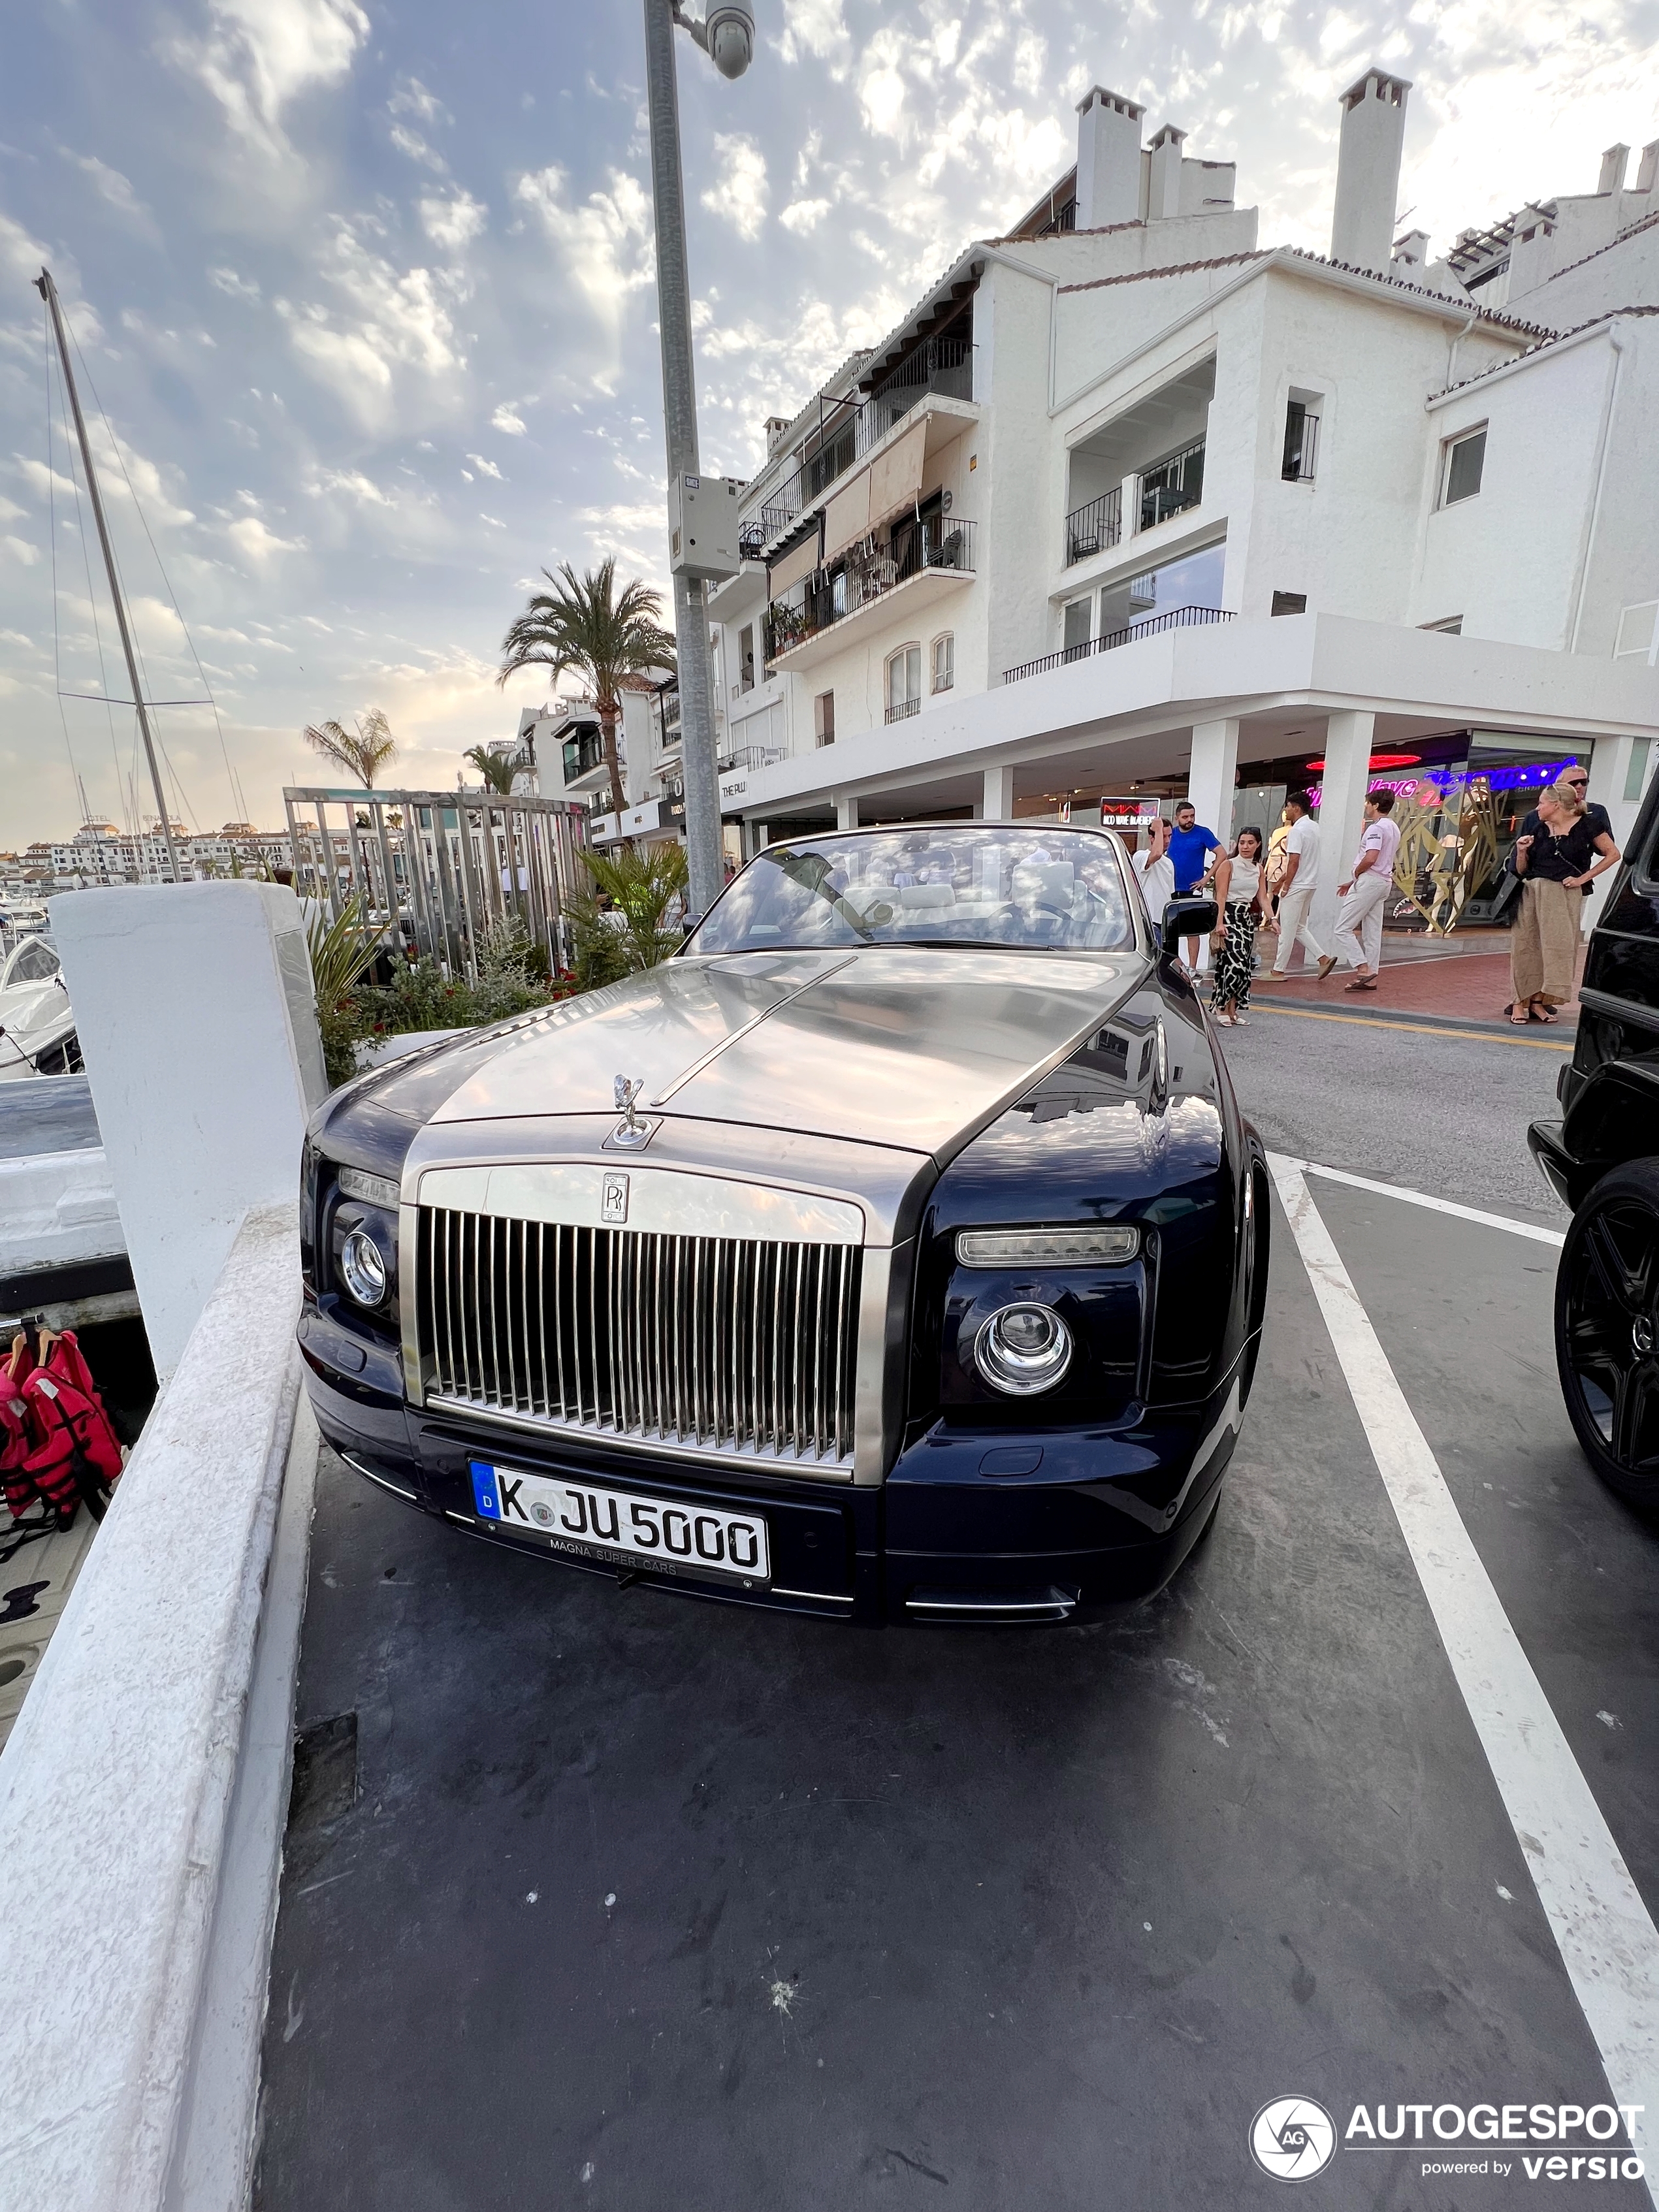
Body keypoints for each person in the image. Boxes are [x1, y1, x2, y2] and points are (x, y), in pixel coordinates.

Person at [1508, 781, 1620, 1023]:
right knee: (1525, 947)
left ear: (1556, 805)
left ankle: (1538, 1003)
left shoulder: (1589, 825)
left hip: (1563, 893)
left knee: (1557, 949)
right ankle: (1519, 1003)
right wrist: (1521, 851)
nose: (1538, 808)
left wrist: (1583, 878)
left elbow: (1614, 854)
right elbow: (1521, 870)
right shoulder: (1539, 828)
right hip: (1532, 891)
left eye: (1542, 803)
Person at [1330, 789, 1401, 991]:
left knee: (1343, 928)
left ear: (1376, 805)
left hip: (1370, 881)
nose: (1366, 806)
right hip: (1384, 882)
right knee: (1372, 932)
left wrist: (1356, 874)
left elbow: (1371, 857)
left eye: (1368, 803)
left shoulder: (1376, 829)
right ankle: (1371, 977)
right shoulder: (1393, 827)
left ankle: (1363, 968)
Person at [1264, 793, 1332, 981]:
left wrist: (1285, 885)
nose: (1286, 810)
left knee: (1287, 930)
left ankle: (1278, 970)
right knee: (1300, 927)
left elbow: (1294, 862)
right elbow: (1302, 862)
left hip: (1297, 885)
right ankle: (1323, 958)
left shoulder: (1296, 831)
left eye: (1288, 806)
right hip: (1310, 884)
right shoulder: (1315, 828)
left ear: (1296, 808)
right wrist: (1283, 880)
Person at [1209, 827, 1267, 1025]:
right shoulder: (1228, 866)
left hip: (1246, 919)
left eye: (1250, 843)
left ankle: (1233, 1010)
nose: (1245, 847)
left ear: (1258, 845)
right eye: (1242, 842)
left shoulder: (1258, 869)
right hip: (1228, 916)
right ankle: (1221, 1006)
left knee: (1244, 967)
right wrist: (1219, 923)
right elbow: (1221, 895)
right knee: (1232, 964)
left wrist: (1273, 919)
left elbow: (1263, 897)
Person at [1167, 799, 1221, 967]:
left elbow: (1222, 854)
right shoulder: (1172, 835)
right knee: (1170, 929)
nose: (1189, 819)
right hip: (1171, 887)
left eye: (1192, 816)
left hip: (1193, 888)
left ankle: (1193, 967)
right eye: (1185, 817)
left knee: (1192, 930)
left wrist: (1207, 878)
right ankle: (1173, 964)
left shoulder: (1202, 833)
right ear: (1177, 818)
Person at [1131, 812, 1175, 926]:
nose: (1167, 841)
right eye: (1163, 836)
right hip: (1147, 919)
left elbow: (1170, 893)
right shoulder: (1140, 856)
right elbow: (1156, 854)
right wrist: (1158, 829)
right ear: (1151, 838)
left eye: (1170, 836)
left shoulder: (1169, 863)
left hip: (1165, 920)